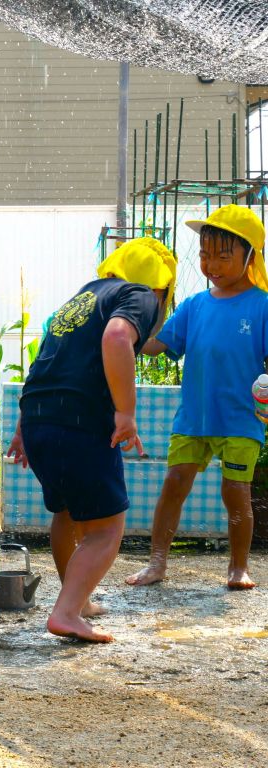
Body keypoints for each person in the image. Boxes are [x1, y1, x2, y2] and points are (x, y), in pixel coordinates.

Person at [7, 237, 175, 642]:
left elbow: (47, 356)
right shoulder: (139, 294)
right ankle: (66, 611)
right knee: (106, 529)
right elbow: (118, 338)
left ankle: (76, 601)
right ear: (160, 287)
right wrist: (125, 412)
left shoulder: (83, 297)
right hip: (80, 421)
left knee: (66, 513)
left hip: (39, 420)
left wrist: (22, 426)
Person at [127, 205, 268, 591]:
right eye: (205, 255)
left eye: (224, 255)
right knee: (174, 482)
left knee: (234, 491)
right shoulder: (194, 305)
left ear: (250, 256)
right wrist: (128, 336)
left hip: (241, 419)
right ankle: (156, 563)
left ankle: (238, 568)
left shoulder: (262, 305)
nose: (212, 264)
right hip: (194, 417)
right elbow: (159, 345)